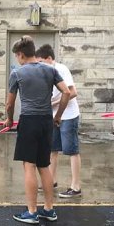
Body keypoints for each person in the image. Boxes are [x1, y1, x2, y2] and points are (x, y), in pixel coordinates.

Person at [4, 36, 71, 224]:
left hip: (29, 121)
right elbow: (67, 92)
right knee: (44, 165)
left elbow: (9, 103)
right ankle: (49, 210)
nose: (17, 59)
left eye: (17, 56)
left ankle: (32, 212)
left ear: (21, 54)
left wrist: (9, 121)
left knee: (29, 166)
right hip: (46, 121)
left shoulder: (17, 73)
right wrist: (58, 116)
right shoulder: (51, 70)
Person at [36, 44, 82, 198]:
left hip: (68, 116)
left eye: (42, 61)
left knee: (71, 150)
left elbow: (72, 92)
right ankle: (51, 180)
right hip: (54, 116)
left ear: (50, 58)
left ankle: (76, 187)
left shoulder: (61, 69)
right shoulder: (45, 72)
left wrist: (52, 103)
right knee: (52, 150)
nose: (40, 65)